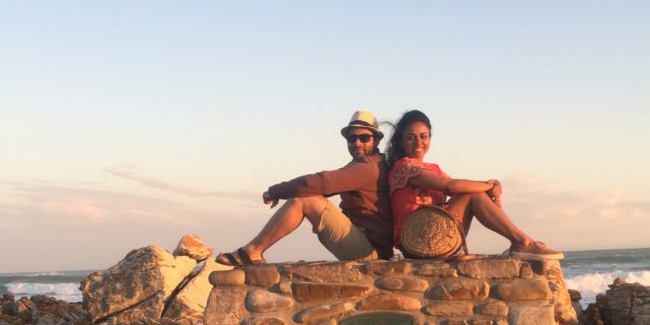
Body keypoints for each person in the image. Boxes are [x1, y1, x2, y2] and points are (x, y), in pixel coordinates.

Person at [217, 111, 393, 265]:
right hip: (366, 246)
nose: (357, 143)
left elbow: (322, 182)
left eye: (364, 138)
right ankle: (252, 251)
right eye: (352, 138)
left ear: (376, 140)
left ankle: (252, 251)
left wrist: (277, 191)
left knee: (304, 199)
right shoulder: (367, 165)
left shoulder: (368, 167)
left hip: (369, 252)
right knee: (307, 195)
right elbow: (324, 187)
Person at [386, 110, 562, 260]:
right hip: (414, 241)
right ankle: (523, 242)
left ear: (430, 139)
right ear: (401, 141)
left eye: (423, 136)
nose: (418, 142)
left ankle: (522, 242)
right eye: (411, 137)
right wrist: (488, 185)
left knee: (472, 192)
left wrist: (493, 187)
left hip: (438, 238)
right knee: (473, 194)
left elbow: (460, 188)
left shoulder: (434, 169)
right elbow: (450, 187)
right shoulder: (404, 166)